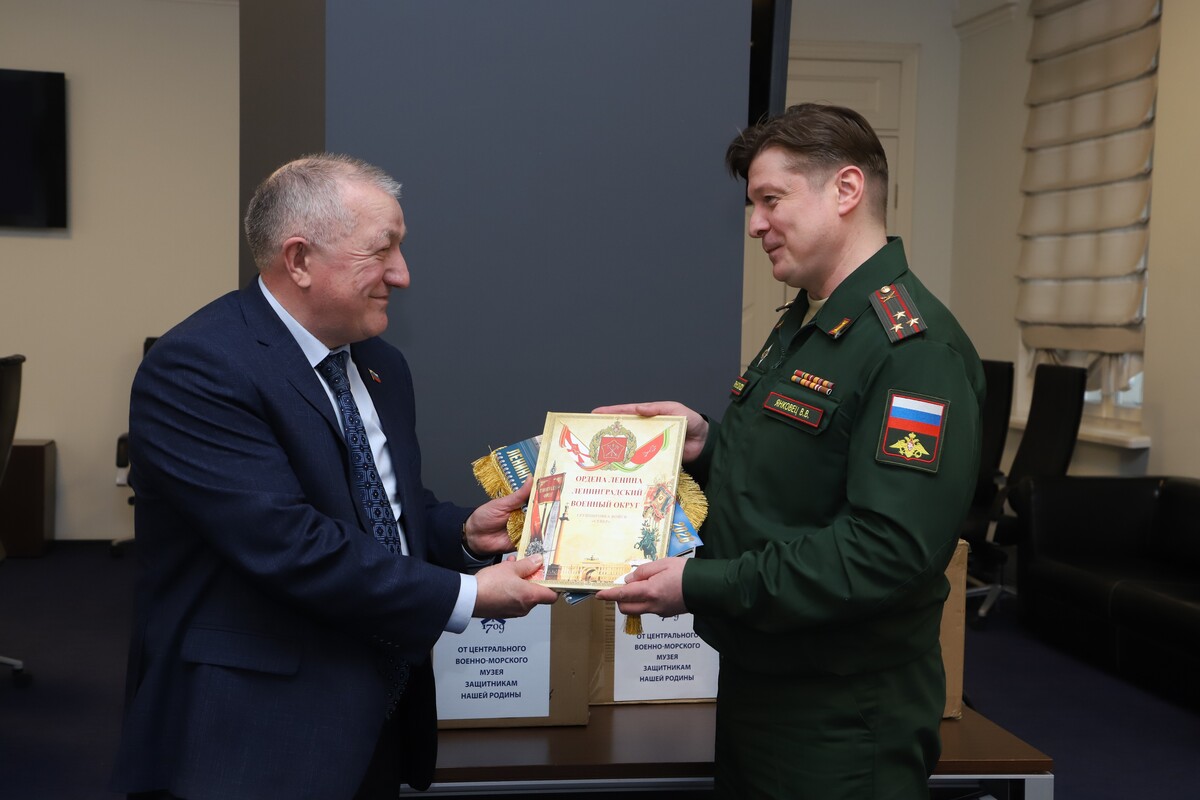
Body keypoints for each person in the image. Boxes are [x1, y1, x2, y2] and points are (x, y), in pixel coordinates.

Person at [110, 154, 559, 800]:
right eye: (382, 250)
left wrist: (461, 533)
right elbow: (288, 542)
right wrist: (465, 596)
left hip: (373, 709)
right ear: (299, 260)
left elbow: (384, 507)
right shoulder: (199, 368)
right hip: (251, 731)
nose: (402, 274)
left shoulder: (381, 363)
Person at [596, 104, 985, 799]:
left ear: (846, 190)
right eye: (754, 204)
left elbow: (885, 552)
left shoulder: (914, 350)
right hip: (766, 679)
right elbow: (798, 479)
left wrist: (698, 585)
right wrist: (707, 445)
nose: (755, 224)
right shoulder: (810, 319)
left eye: (771, 200)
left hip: (840, 713)